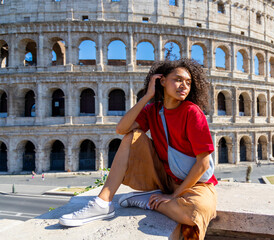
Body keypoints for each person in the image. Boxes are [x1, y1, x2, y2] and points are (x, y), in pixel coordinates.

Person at [59, 59, 217, 240]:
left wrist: (174, 196)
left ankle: (149, 201)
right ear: (162, 81)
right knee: (131, 137)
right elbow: (121, 129)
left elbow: (203, 164)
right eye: (178, 80)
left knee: (196, 212)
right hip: (164, 177)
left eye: (188, 82)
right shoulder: (153, 110)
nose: (184, 86)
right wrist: (147, 96)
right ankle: (103, 203)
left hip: (196, 184)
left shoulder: (192, 112)